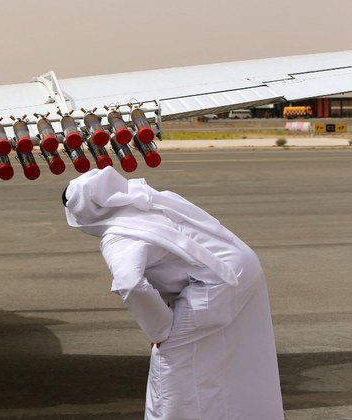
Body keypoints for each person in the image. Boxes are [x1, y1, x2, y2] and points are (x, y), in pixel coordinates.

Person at [62, 167, 284, 420]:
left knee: (171, 367)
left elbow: (130, 283)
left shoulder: (117, 235)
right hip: (243, 267)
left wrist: (160, 330)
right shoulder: (149, 201)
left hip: (215, 285)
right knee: (230, 359)